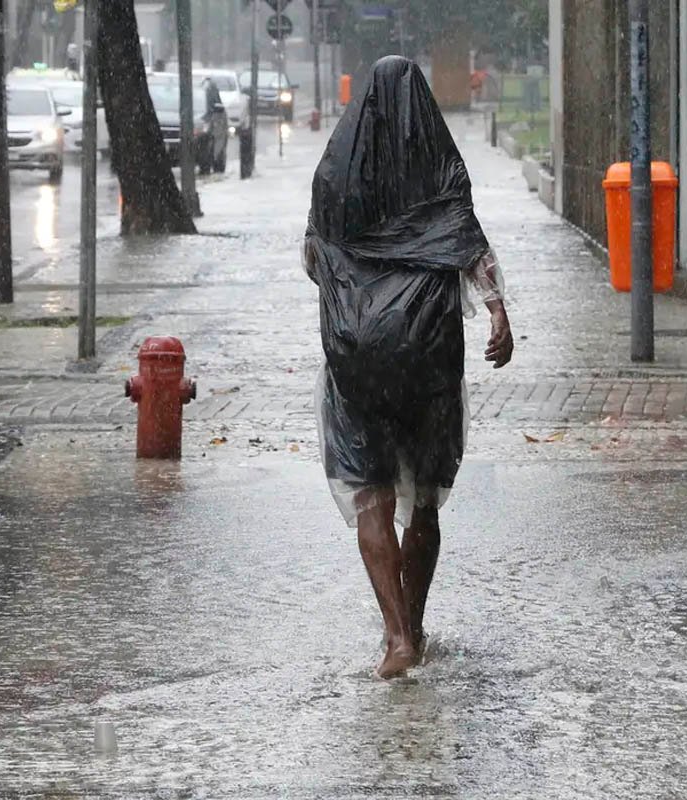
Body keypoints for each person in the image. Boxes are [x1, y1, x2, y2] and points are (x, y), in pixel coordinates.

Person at [303, 56, 513, 679]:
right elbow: (470, 247)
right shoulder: (440, 166)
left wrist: (363, 291)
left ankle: (397, 639)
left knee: (370, 495)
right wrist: (499, 314)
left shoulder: (336, 174)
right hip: (427, 358)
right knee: (422, 501)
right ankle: (416, 624)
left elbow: (314, 259)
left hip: (359, 361)